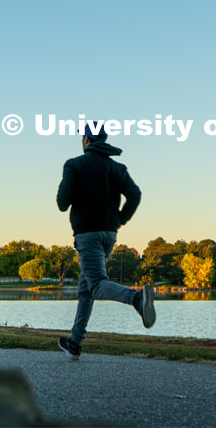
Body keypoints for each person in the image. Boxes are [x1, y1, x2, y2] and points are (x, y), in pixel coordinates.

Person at [55, 124, 154, 360]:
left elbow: (62, 203)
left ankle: (137, 299)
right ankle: (75, 342)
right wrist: (120, 219)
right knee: (85, 288)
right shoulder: (116, 168)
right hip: (109, 234)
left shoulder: (74, 165)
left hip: (87, 234)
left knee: (97, 284)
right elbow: (135, 194)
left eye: (82, 136)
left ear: (87, 139)